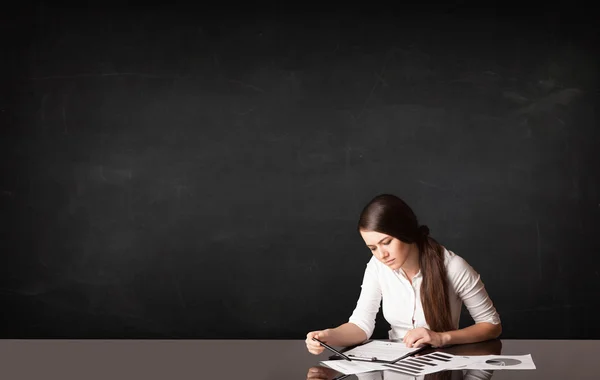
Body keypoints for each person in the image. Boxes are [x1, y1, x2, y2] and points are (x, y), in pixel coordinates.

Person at [305, 194, 502, 355]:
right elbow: (361, 326)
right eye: (372, 248)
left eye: (387, 242)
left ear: (405, 232)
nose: (382, 255)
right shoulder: (377, 266)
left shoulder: (453, 267)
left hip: (443, 364)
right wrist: (327, 336)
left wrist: (442, 337)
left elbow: (491, 325)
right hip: (396, 366)